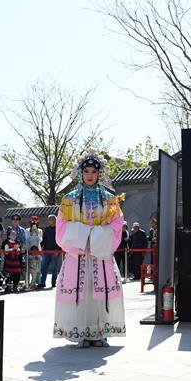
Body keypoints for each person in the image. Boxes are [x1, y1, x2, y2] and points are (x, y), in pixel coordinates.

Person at [54, 149, 126, 348]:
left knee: (99, 292)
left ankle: (99, 332)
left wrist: (94, 236)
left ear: (100, 173)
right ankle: (80, 331)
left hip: (100, 253)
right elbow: (61, 225)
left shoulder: (110, 199)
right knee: (81, 290)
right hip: (78, 254)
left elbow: (117, 224)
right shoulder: (69, 199)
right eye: (87, 172)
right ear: (80, 173)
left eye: (94, 172)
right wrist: (84, 234)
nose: (90, 176)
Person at [38, 214, 60, 289]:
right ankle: (42, 282)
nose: (52, 221)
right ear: (49, 221)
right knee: (44, 267)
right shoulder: (47, 229)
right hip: (46, 251)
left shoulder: (58, 229)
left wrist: (58, 250)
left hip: (55, 251)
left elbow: (60, 240)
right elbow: (44, 239)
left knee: (54, 268)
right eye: (50, 219)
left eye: (53, 219)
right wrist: (40, 248)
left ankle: (53, 283)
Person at [27, 217, 42, 290]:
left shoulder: (40, 231)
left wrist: (37, 233)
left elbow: (40, 240)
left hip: (37, 251)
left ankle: (36, 283)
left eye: (35, 220)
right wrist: (31, 233)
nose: (34, 222)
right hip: (29, 252)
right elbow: (27, 240)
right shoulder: (27, 230)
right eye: (32, 220)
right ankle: (28, 283)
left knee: (37, 268)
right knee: (29, 269)